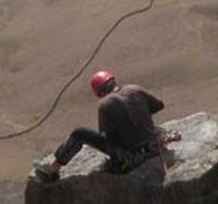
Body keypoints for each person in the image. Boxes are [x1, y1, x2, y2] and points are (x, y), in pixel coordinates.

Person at [33, 70, 179, 182]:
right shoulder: (135, 89)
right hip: (153, 145)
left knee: (79, 133)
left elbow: (107, 135)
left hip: (129, 157)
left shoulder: (105, 104)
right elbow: (159, 105)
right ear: (113, 81)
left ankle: (53, 169)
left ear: (99, 91)